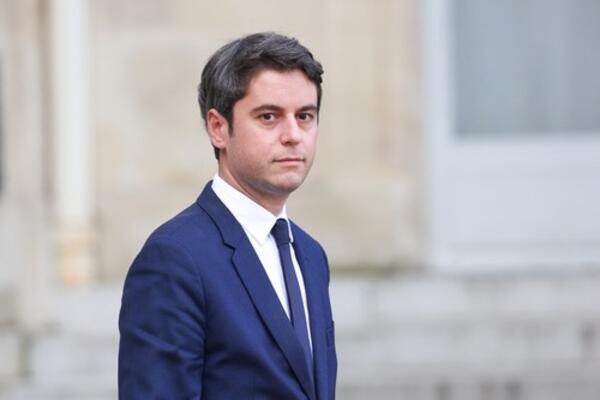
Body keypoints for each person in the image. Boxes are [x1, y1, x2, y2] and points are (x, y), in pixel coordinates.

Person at [118, 32, 337, 400]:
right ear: (218, 128)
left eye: (305, 116)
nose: (293, 135)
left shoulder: (311, 255)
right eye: (269, 117)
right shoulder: (174, 259)